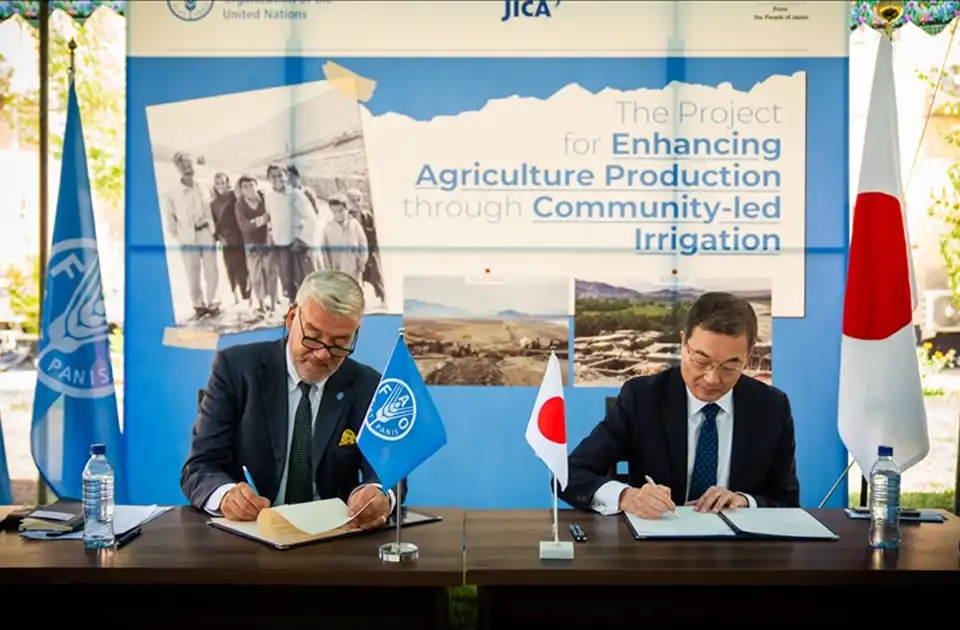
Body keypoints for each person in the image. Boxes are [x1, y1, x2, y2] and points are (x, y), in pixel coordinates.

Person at [180, 269, 398, 526]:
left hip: (332, 535)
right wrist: (226, 495)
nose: (323, 354)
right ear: (292, 318)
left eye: (340, 342)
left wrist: (379, 493)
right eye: (313, 336)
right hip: (252, 531)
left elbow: (389, 470)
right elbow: (200, 466)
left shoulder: (368, 385)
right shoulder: (235, 368)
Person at [560, 292, 799, 519]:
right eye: (701, 360)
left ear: (748, 355)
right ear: (683, 342)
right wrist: (626, 497)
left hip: (740, 544)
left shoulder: (771, 407)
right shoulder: (642, 398)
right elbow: (568, 474)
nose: (711, 379)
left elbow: (787, 502)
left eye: (729, 367)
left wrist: (746, 502)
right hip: (657, 540)